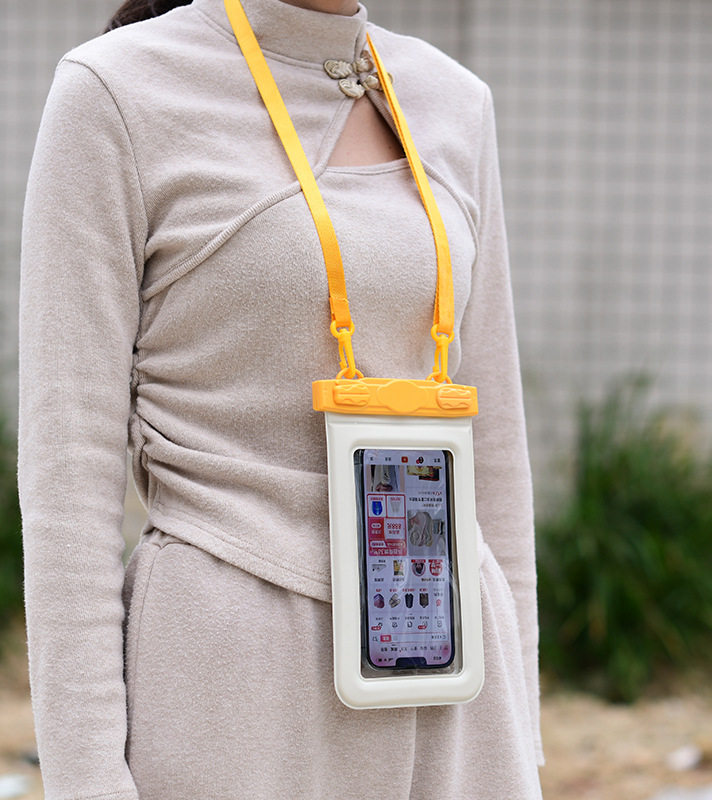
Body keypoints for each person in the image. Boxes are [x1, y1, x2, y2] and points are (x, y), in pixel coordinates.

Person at [19, 0, 544, 797]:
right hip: (234, 689)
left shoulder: (455, 99)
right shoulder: (117, 90)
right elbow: (66, 473)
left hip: (451, 665)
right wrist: (86, 778)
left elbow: (494, 442)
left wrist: (517, 734)